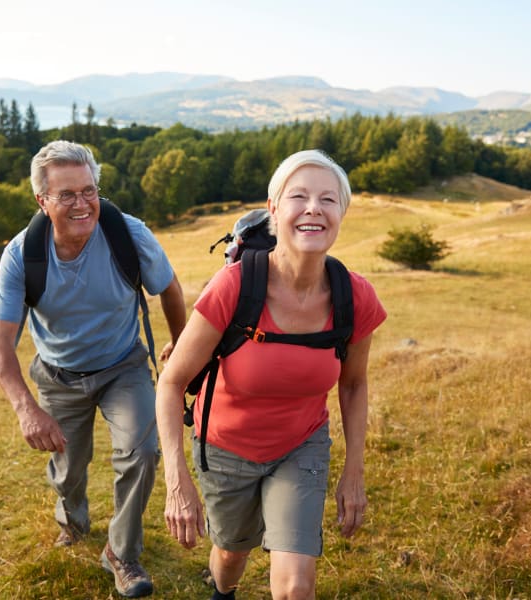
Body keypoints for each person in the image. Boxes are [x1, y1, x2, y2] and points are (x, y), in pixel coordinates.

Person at [155, 149, 386, 600]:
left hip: (301, 445)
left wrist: (354, 470)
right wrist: (176, 479)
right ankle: (223, 591)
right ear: (274, 210)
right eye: (298, 196)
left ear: (342, 213)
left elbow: (354, 383)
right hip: (224, 446)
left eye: (328, 199)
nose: (314, 208)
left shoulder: (354, 296)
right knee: (230, 559)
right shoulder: (235, 286)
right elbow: (171, 381)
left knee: (297, 586)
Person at [0, 140, 186, 598]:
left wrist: (180, 346)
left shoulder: (128, 233)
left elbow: (170, 288)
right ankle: (72, 517)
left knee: (141, 452)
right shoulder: (22, 255)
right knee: (68, 469)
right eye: (67, 195)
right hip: (58, 375)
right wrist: (26, 409)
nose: (82, 204)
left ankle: (122, 553)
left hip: (124, 366)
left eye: (89, 190)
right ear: (42, 201)